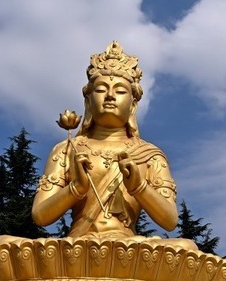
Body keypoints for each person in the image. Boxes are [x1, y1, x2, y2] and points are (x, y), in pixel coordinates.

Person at [31, 41, 192, 247]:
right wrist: (77, 188)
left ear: (133, 104)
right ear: (88, 101)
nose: (109, 96)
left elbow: (169, 220)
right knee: (2, 243)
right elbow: (40, 215)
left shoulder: (149, 155)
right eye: (100, 89)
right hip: (77, 245)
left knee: (184, 247)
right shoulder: (67, 149)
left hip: (129, 246)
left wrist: (139, 187)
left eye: (120, 91)